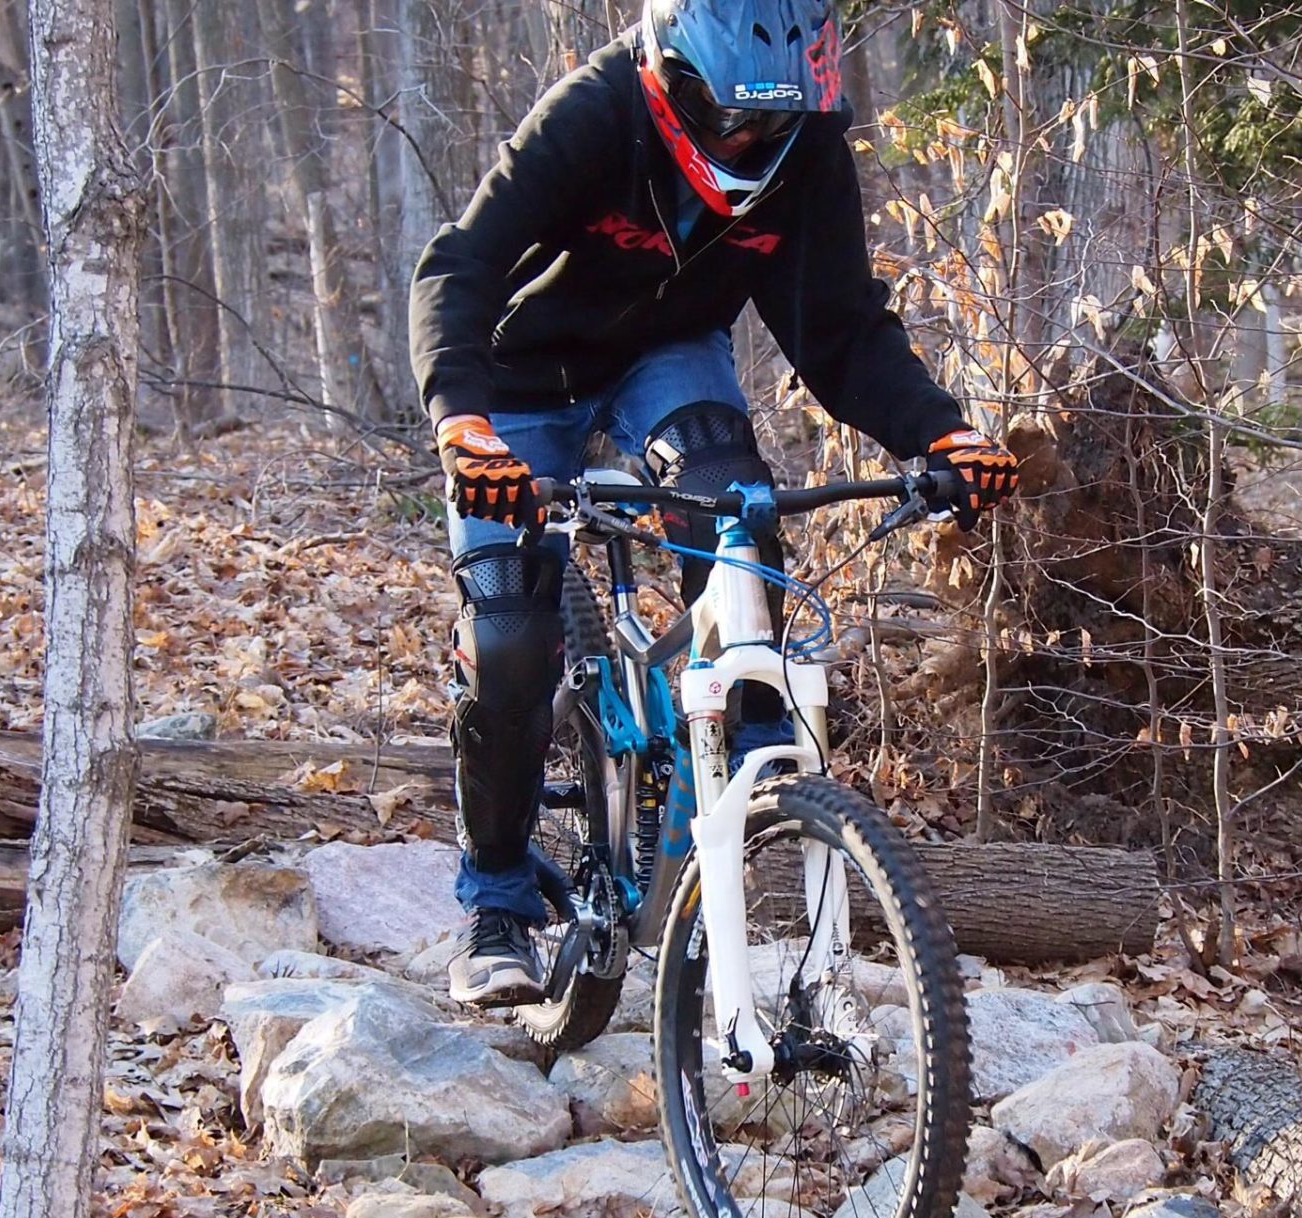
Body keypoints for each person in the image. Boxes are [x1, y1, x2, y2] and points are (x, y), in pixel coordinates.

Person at [410, 0, 1020, 1006]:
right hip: (517, 382)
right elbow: (459, 267)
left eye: (766, 125)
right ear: (666, 72)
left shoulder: (809, 148)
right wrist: (461, 422)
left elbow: (840, 325)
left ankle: (738, 796)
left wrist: (938, 433)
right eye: (722, 117)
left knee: (735, 513)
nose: (742, 142)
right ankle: (497, 901)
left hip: (664, 356)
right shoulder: (593, 114)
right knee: (511, 634)